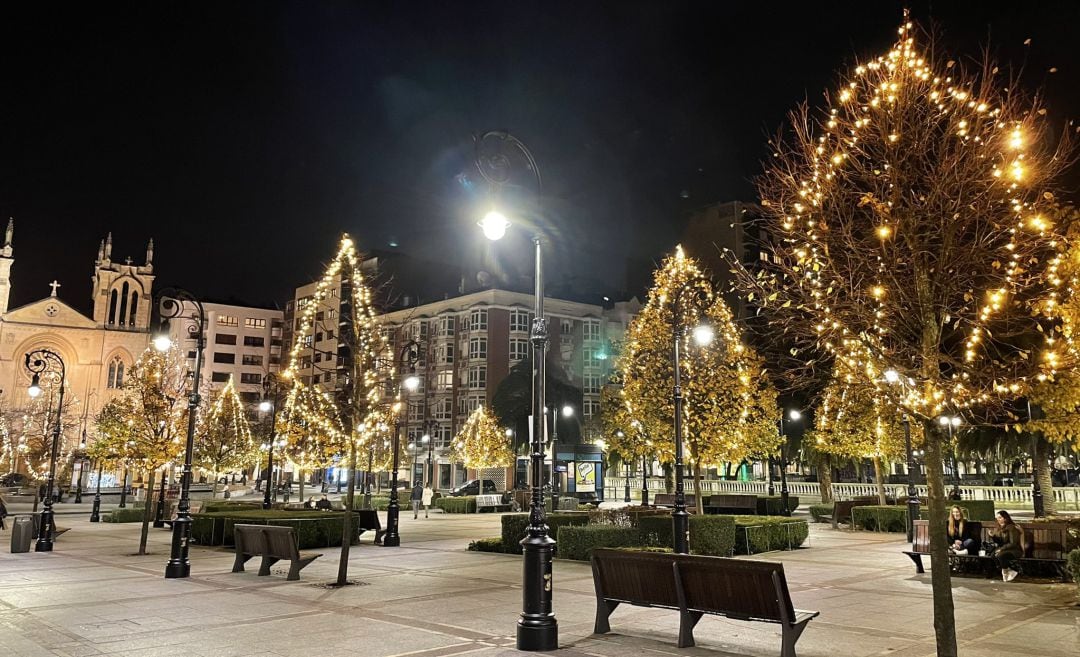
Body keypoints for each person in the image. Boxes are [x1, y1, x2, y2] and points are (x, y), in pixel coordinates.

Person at [989, 510, 1025, 582]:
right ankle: (1008, 571)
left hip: (1015, 550)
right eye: (997, 518)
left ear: (1005, 518)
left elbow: (1013, 543)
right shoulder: (1000, 528)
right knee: (993, 555)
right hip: (1005, 549)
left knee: (1000, 555)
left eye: (1000, 517)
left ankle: (1005, 573)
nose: (998, 519)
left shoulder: (1011, 527)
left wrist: (1001, 549)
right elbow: (1000, 542)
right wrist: (993, 536)